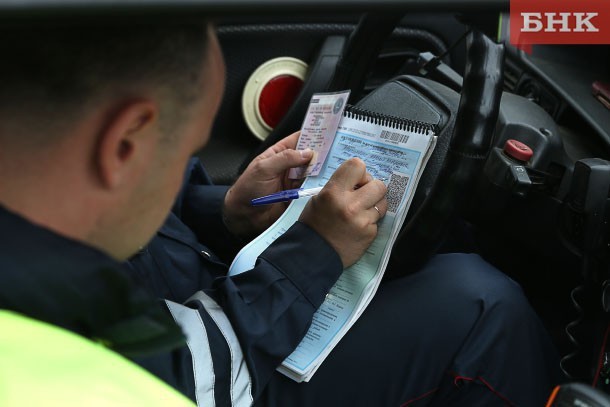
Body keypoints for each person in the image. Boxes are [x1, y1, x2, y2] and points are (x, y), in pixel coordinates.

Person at [0, 19, 562, 406]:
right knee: (484, 309)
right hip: (220, 375)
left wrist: (223, 212)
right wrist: (311, 254)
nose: (183, 166)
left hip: (208, 310)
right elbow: (190, 382)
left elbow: (147, 237)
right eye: (182, 152)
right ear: (123, 146)